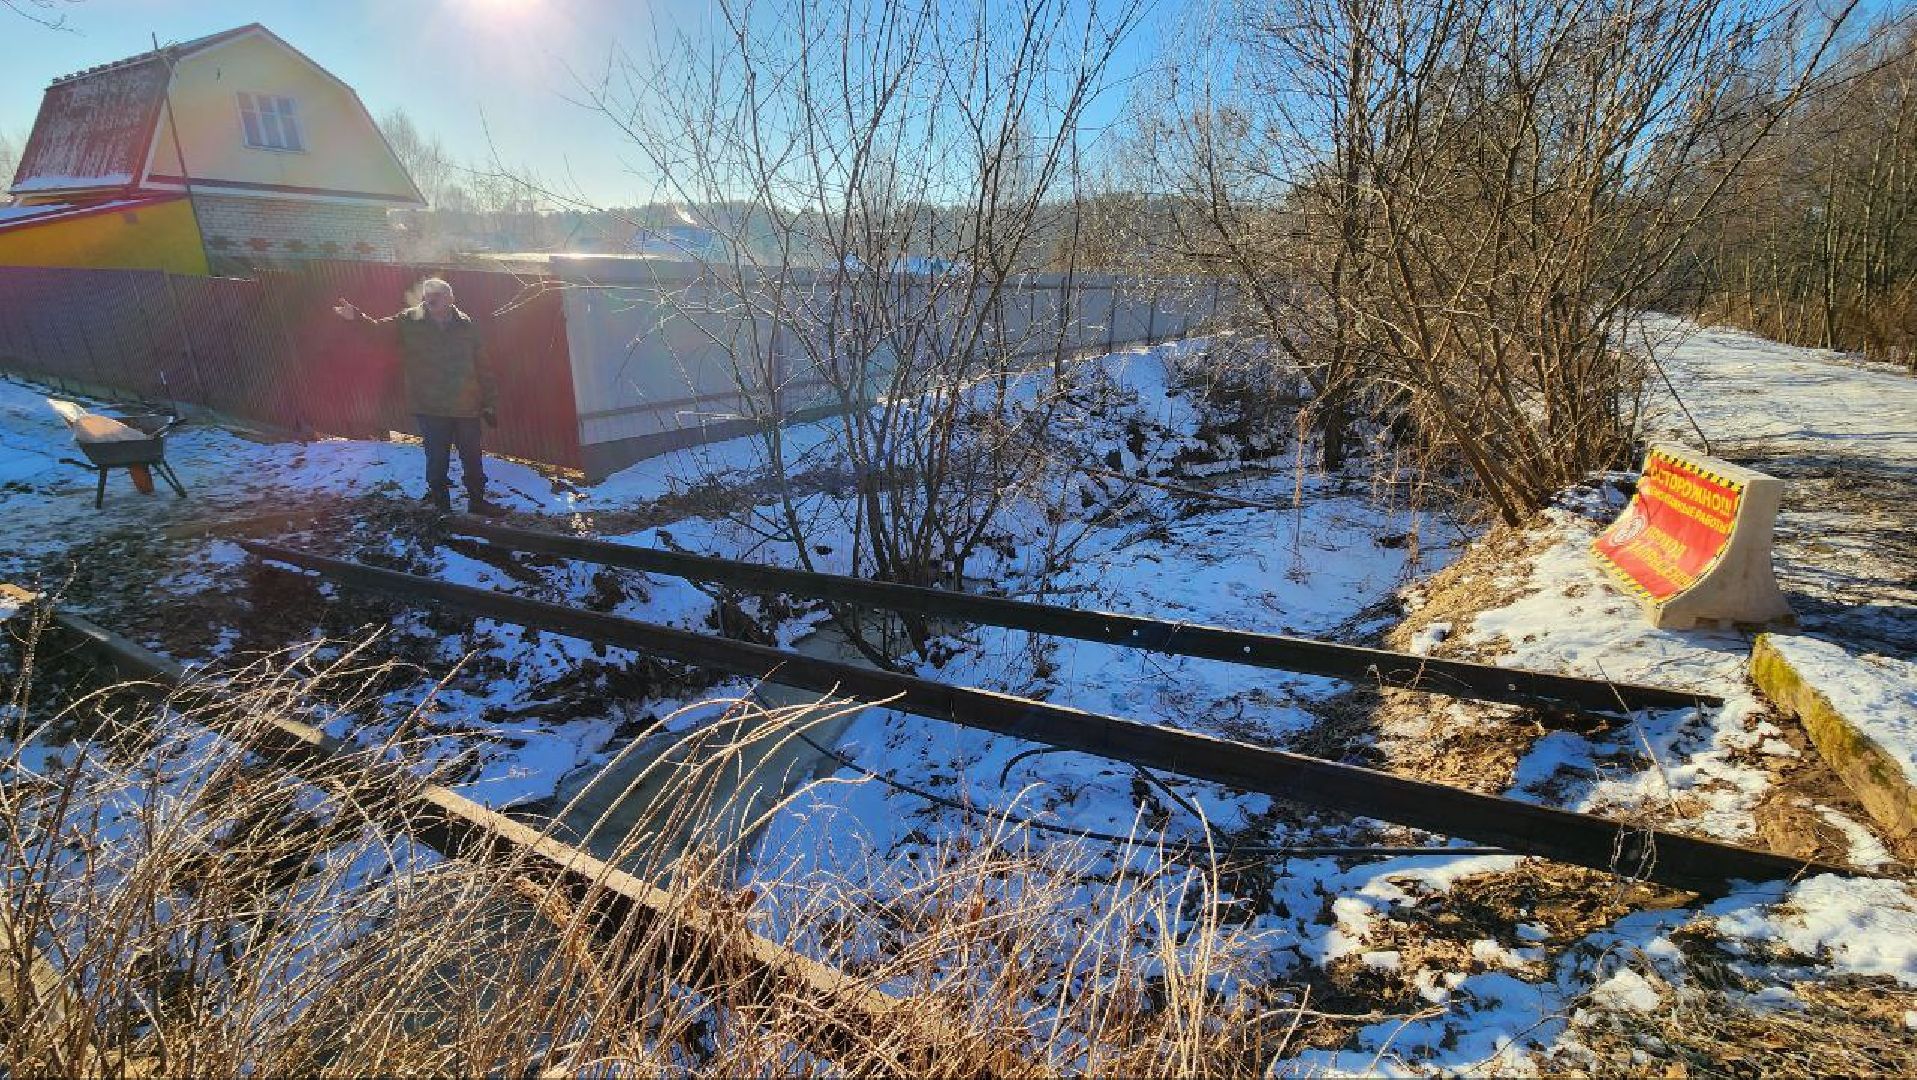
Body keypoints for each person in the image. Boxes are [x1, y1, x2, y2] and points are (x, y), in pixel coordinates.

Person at [334, 278, 508, 516]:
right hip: (430, 406)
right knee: (437, 460)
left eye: (438, 294)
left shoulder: (466, 325)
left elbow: (482, 367)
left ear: (450, 298)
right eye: (428, 294)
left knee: (473, 458)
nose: (431, 298)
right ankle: (441, 507)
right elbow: (377, 331)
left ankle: (477, 501)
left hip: (466, 406)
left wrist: (489, 403)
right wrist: (356, 317)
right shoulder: (409, 321)